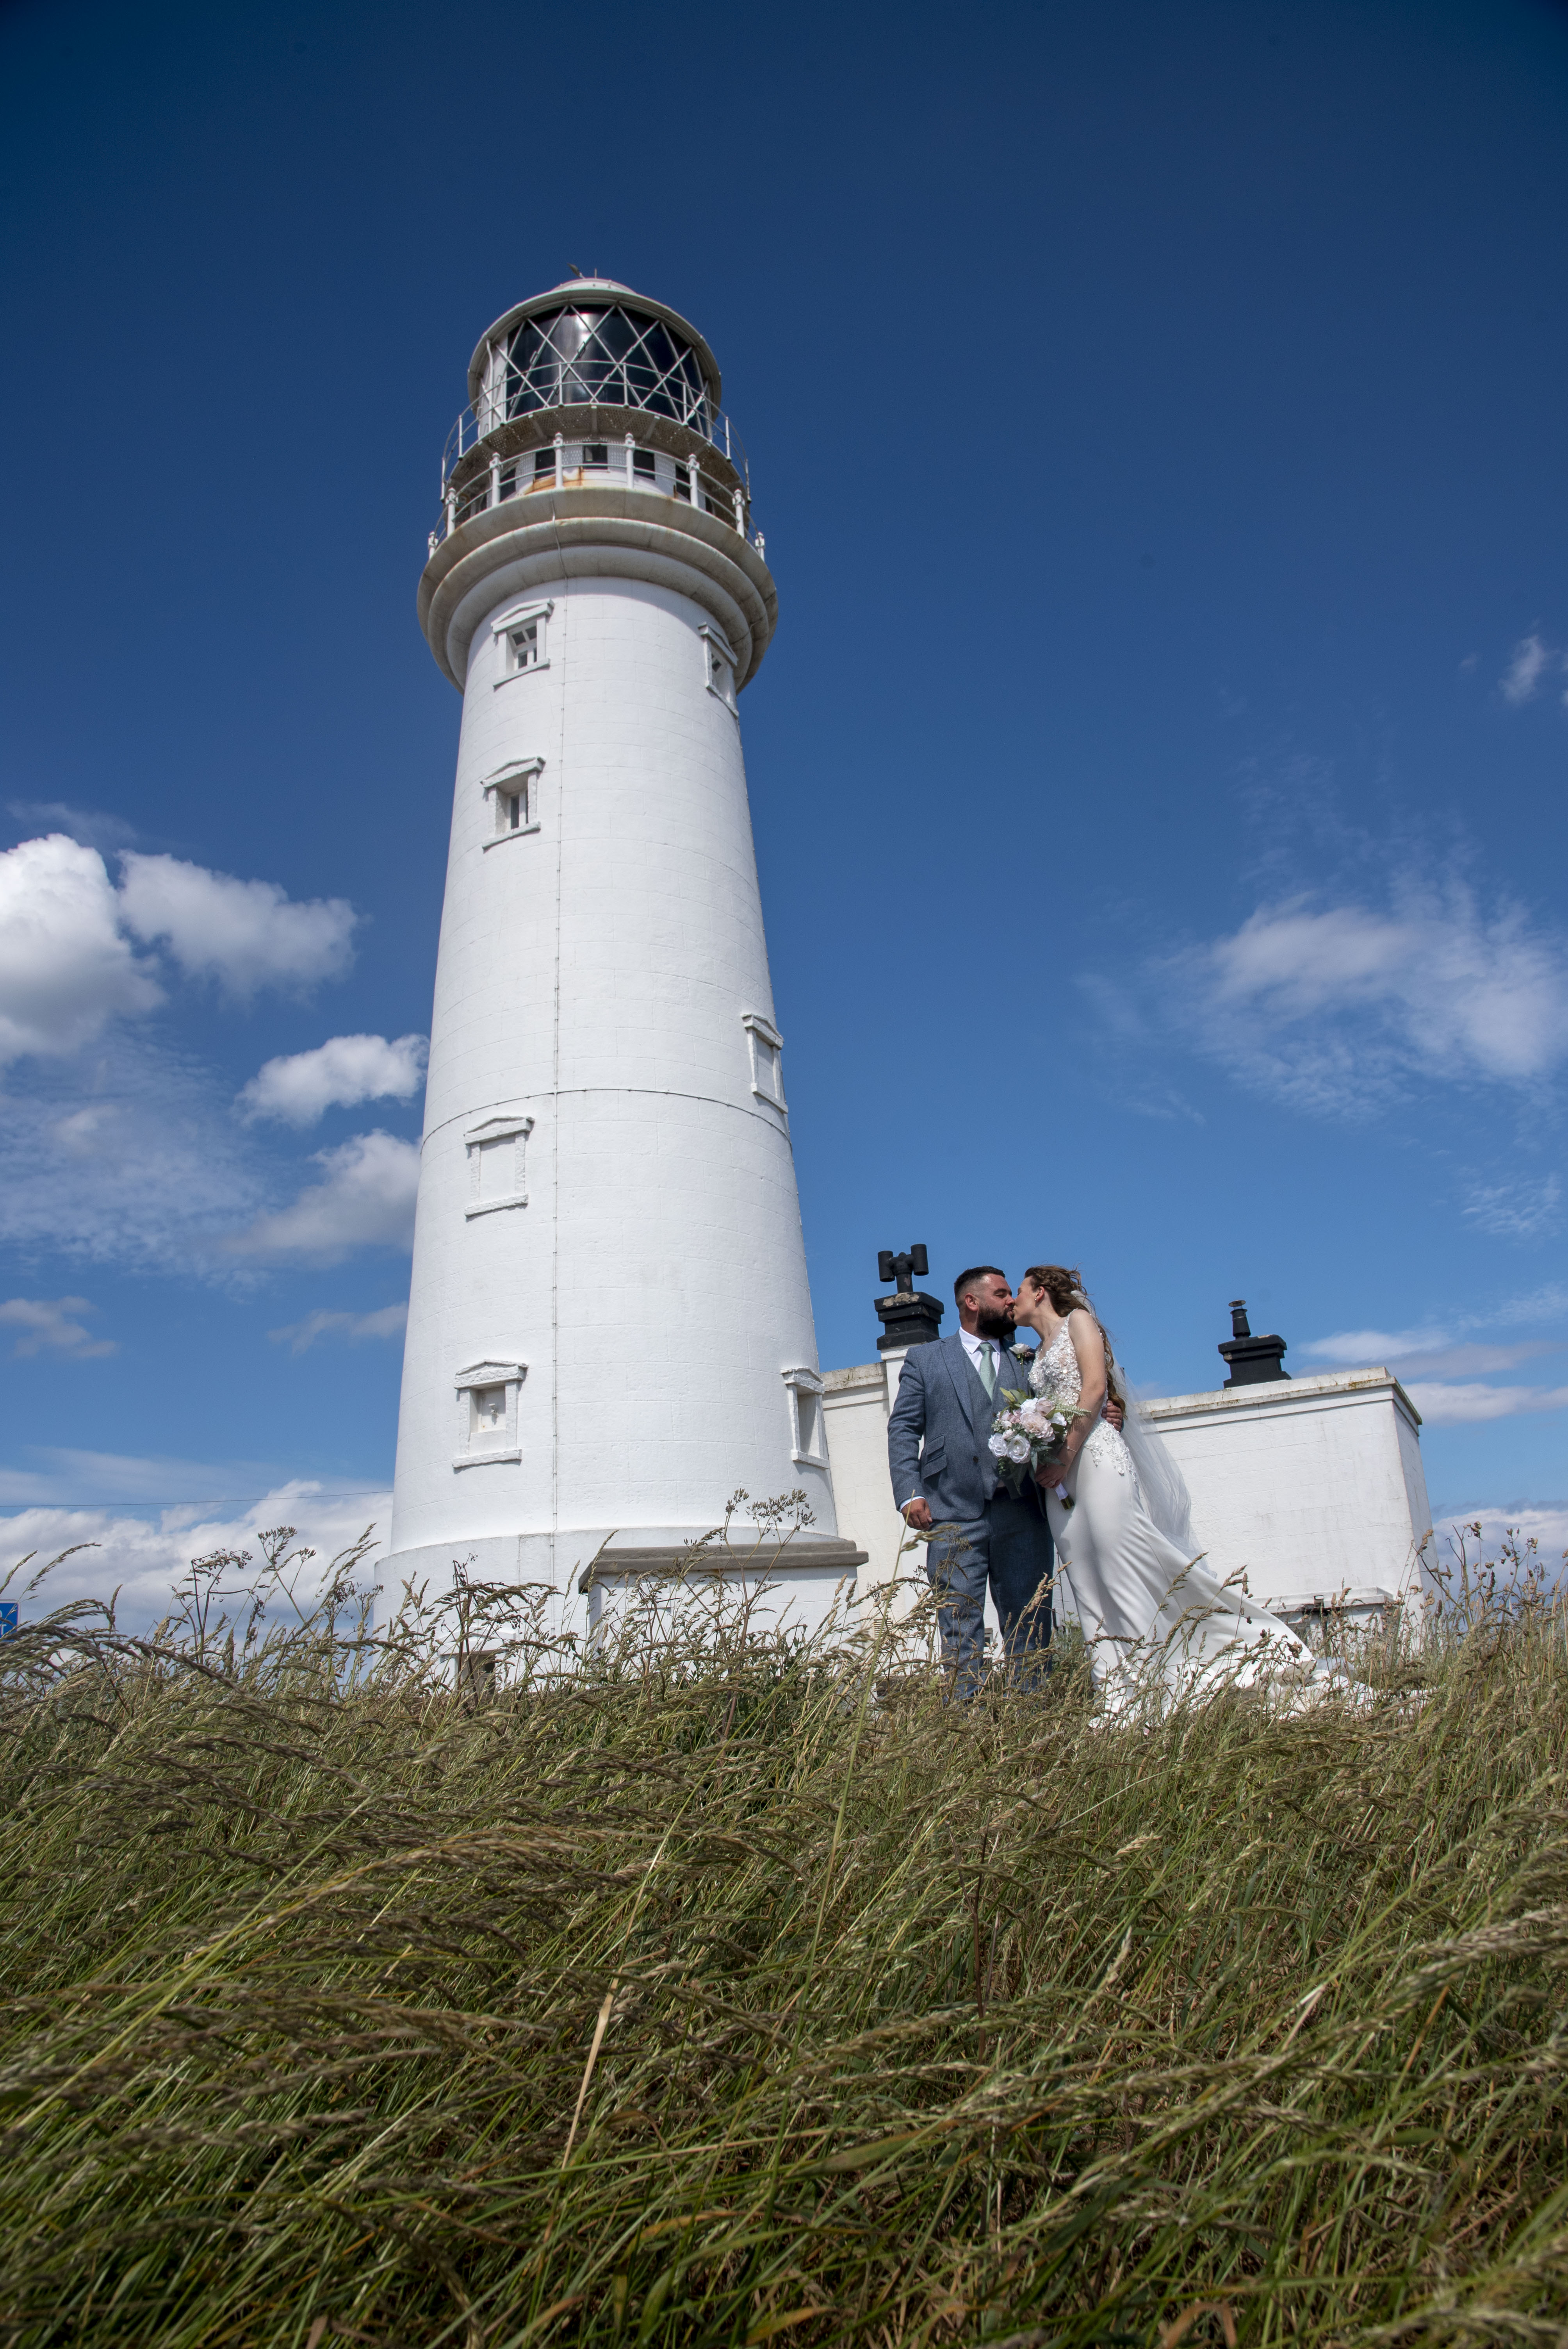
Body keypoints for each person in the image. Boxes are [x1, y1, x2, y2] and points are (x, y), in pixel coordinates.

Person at [1011, 1264, 1325, 1709]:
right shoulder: (1033, 1353)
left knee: (1124, 1559)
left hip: (1093, 1457)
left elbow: (1096, 1387)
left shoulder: (1077, 1323)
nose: (1012, 1300)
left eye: (1018, 1290)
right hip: (1056, 1477)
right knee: (1082, 1577)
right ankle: (1116, 1696)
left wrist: (1065, 1455)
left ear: (1040, 1292)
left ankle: (1167, 1681)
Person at [886, 1265, 1123, 1695]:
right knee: (957, 1619)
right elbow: (903, 1429)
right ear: (971, 1302)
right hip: (951, 1509)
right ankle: (967, 1724)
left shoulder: (1029, 1360)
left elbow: (1068, 1404)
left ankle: (1029, 1724)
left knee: (1030, 1620)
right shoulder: (925, 1359)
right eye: (1001, 1293)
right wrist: (909, 1493)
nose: (1011, 1300)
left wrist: (1105, 1415)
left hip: (1023, 1509)